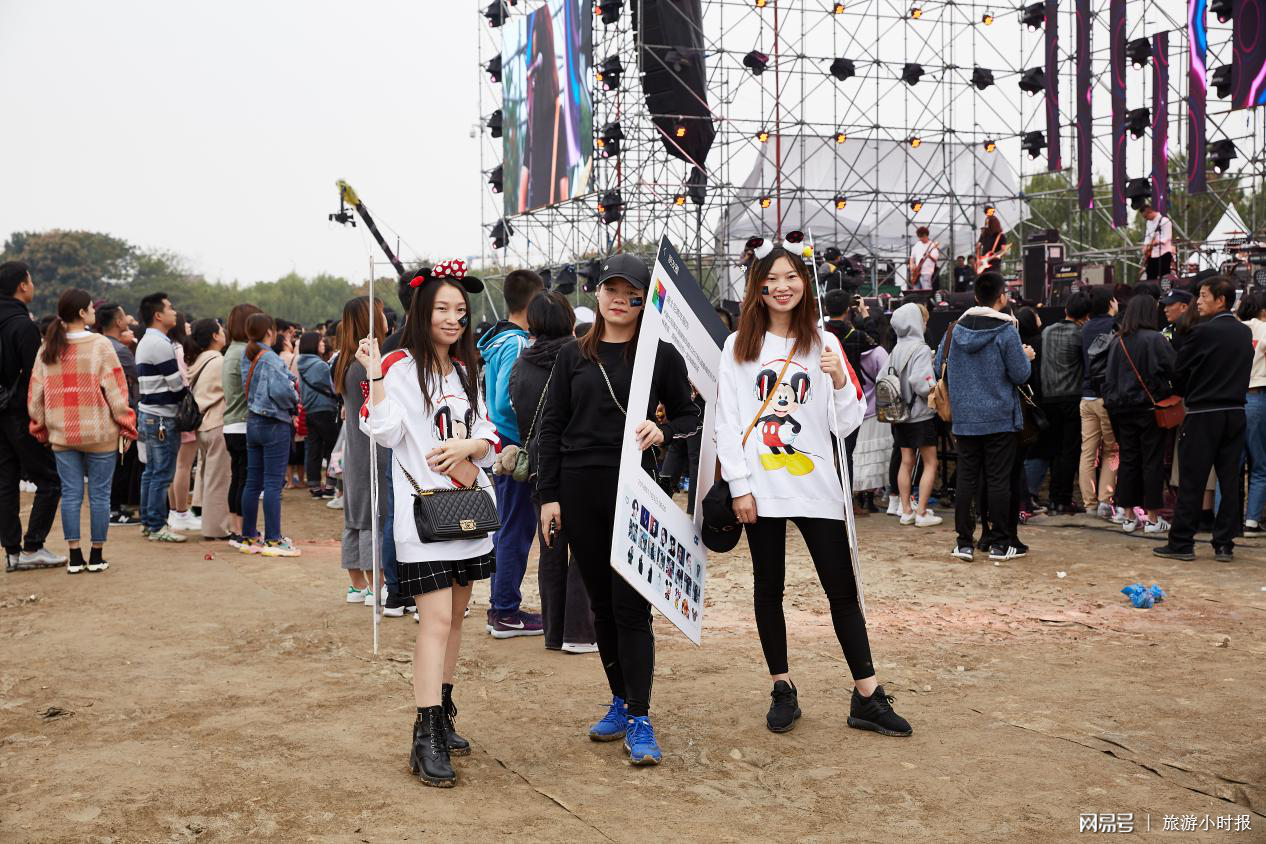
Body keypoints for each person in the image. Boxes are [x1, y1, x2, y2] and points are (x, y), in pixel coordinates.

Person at [716, 243, 911, 739]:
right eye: (771, 279)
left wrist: (841, 379)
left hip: (818, 486)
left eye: (791, 277)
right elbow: (727, 422)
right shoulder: (738, 346)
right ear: (757, 288)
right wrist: (739, 487)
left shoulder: (824, 342)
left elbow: (845, 423)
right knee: (769, 588)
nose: (782, 287)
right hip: (761, 488)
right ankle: (782, 687)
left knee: (841, 589)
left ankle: (867, 695)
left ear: (805, 283)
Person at [537, 253, 700, 766]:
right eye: (611, 290)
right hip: (579, 489)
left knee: (632, 607)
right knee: (602, 606)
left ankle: (641, 717)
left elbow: (690, 415)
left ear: (644, 300)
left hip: (637, 488)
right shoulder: (572, 354)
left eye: (631, 294)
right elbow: (551, 427)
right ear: (598, 293)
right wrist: (548, 496)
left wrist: (663, 431)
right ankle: (620, 700)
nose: (619, 301)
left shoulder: (660, 355)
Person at [357, 260, 499, 788]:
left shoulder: (464, 370)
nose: (453, 318)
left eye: (460, 310)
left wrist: (471, 446)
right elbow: (383, 430)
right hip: (423, 517)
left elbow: (488, 433)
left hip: (468, 510)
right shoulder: (397, 365)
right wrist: (374, 373)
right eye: (442, 308)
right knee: (436, 620)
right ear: (421, 311)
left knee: (456, 619)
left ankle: (442, 713)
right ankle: (425, 733)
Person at [508, 290, 597, 653]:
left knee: (551, 546)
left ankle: (554, 632)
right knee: (586, 546)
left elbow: (511, 410)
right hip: (575, 462)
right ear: (569, 319)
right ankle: (579, 632)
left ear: (532, 323)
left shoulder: (521, 364)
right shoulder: (580, 358)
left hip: (538, 466)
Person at [27, 289, 136, 573]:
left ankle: (75, 556)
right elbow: (116, 391)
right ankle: (96, 555)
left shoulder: (48, 347)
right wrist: (126, 425)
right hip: (100, 432)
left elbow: (35, 395)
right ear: (81, 313)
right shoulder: (100, 344)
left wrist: (41, 427)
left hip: (62, 433)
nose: (94, 311)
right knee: (99, 496)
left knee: (71, 494)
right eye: (90, 307)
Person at [934, 272, 1035, 561]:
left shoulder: (954, 330)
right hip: (1000, 417)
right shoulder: (1006, 331)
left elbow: (938, 365)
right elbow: (1020, 374)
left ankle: (964, 543)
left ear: (976, 297)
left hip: (964, 418)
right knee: (998, 479)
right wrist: (1026, 357)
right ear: (1002, 297)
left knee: (967, 479)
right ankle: (1001, 544)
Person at [1154, 278, 1253, 561]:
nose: (1198, 301)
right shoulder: (1243, 332)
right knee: (1229, 479)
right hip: (1235, 411)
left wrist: (1187, 388)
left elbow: (1178, 370)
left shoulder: (1201, 332)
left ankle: (1182, 542)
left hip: (1203, 413)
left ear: (1220, 300)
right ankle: (1224, 544)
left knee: (1192, 480)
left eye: (1204, 295)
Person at [476, 268, 547, 638]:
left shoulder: (498, 339)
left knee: (508, 527)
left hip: (501, 442)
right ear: (533, 303)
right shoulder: (517, 344)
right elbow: (508, 400)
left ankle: (501, 606)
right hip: (514, 446)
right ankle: (504, 610)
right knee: (515, 529)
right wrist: (527, 437)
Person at [0, 262, 65, 571]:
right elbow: (35, 378)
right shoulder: (23, 325)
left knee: (6, 482)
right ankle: (34, 546)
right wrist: (43, 418)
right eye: (31, 280)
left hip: (0, 414)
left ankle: (12, 552)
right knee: (50, 479)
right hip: (19, 414)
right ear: (22, 286)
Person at [333, 298, 391, 606]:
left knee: (355, 517)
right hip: (373, 451)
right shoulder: (365, 366)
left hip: (354, 451)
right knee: (373, 517)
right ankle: (376, 585)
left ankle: (357, 584)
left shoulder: (343, 362)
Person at [1103, 295, 1175, 533]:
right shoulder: (1156, 339)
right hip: (1150, 408)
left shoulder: (1117, 341)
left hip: (1121, 409)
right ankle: (1153, 518)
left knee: (1128, 460)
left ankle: (1128, 515)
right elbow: (1173, 369)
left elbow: (1109, 377)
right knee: (1152, 461)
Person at [238, 313, 300, 557]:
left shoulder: (248, 355)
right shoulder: (271, 358)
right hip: (274, 422)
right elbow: (282, 392)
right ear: (269, 332)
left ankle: (248, 536)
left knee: (253, 482)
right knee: (273, 484)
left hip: (253, 422)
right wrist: (294, 399)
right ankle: (273, 540)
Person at [135, 292, 189, 543]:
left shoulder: (147, 340)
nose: (174, 312)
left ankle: (149, 522)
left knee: (151, 471)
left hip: (149, 414)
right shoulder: (159, 343)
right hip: (161, 417)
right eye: (170, 308)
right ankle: (157, 525)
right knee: (162, 473)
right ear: (158, 315)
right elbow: (176, 385)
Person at [888, 302, 940, 526]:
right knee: (931, 462)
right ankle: (921, 513)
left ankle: (906, 511)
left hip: (899, 414)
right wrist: (934, 385)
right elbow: (921, 383)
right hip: (920, 415)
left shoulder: (896, 349)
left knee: (906, 461)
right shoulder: (920, 348)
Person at [1039, 292, 1091, 514]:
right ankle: (1063, 499)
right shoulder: (1080, 334)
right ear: (1086, 315)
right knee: (1069, 451)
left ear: (1066, 309)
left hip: (1048, 398)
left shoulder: (1047, 332)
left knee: (1054, 450)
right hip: (1071, 397)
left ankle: (1053, 499)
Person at [96, 303, 142, 526]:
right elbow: (137, 376)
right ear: (117, 321)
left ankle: (113, 507)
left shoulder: (98, 345)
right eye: (124, 316)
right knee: (122, 460)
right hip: (122, 412)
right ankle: (115, 509)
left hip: (103, 411)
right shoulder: (120, 350)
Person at [1079, 287, 1121, 520]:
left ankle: (1089, 504)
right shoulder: (1115, 326)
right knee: (1111, 450)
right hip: (1107, 397)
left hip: (1086, 397)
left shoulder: (1085, 328)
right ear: (1110, 303)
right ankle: (1106, 500)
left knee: (1088, 451)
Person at [222, 304, 261, 547]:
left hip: (230, 424)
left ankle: (235, 528)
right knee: (247, 480)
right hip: (244, 424)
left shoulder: (230, 351)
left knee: (238, 478)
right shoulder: (244, 352)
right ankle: (245, 530)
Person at [188, 318, 231, 540]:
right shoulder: (220, 362)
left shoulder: (199, 360)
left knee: (207, 475)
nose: (224, 333)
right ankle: (216, 529)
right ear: (214, 336)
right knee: (218, 479)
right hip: (217, 422)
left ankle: (208, 522)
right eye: (221, 330)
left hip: (203, 424)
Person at [165, 313, 201, 533]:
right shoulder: (179, 351)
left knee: (176, 465)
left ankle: (174, 511)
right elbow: (184, 381)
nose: (189, 327)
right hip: (185, 414)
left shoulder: (169, 348)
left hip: (172, 413)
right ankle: (181, 512)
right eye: (186, 324)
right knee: (183, 465)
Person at [296, 331, 338, 498]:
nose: (323, 344)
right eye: (320, 341)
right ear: (313, 344)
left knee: (314, 448)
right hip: (325, 410)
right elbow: (333, 387)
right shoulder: (320, 365)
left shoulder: (302, 363)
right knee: (333, 447)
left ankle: (314, 486)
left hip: (310, 411)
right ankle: (330, 485)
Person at [1238, 292, 1266, 533]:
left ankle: (1224, 518)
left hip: (1231, 400)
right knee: (1259, 464)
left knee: (1230, 465)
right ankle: (1252, 521)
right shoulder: (1263, 328)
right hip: (1256, 396)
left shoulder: (1233, 329)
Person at [1140, 204, 1174, 281]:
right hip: (1152, 254)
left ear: (1149, 212)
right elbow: (1148, 237)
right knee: (1150, 276)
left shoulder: (1165, 221)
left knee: (1165, 277)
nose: (1145, 219)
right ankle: (1151, 288)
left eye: (1145, 216)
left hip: (1164, 253)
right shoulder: (1148, 223)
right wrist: (1145, 246)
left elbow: (1167, 237)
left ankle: (1165, 289)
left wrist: (1158, 242)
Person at [907, 226, 940, 292]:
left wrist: (929, 256)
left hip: (926, 272)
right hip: (916, 272)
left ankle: (926, 299)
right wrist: (911, 266)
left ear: (926, 235)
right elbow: (912, 257)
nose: (920, 239)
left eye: (921, 237)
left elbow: (935, 259)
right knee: (915, 291)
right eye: (919, 237)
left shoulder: (932, 245)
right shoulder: (917, 244)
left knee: (926, 290)